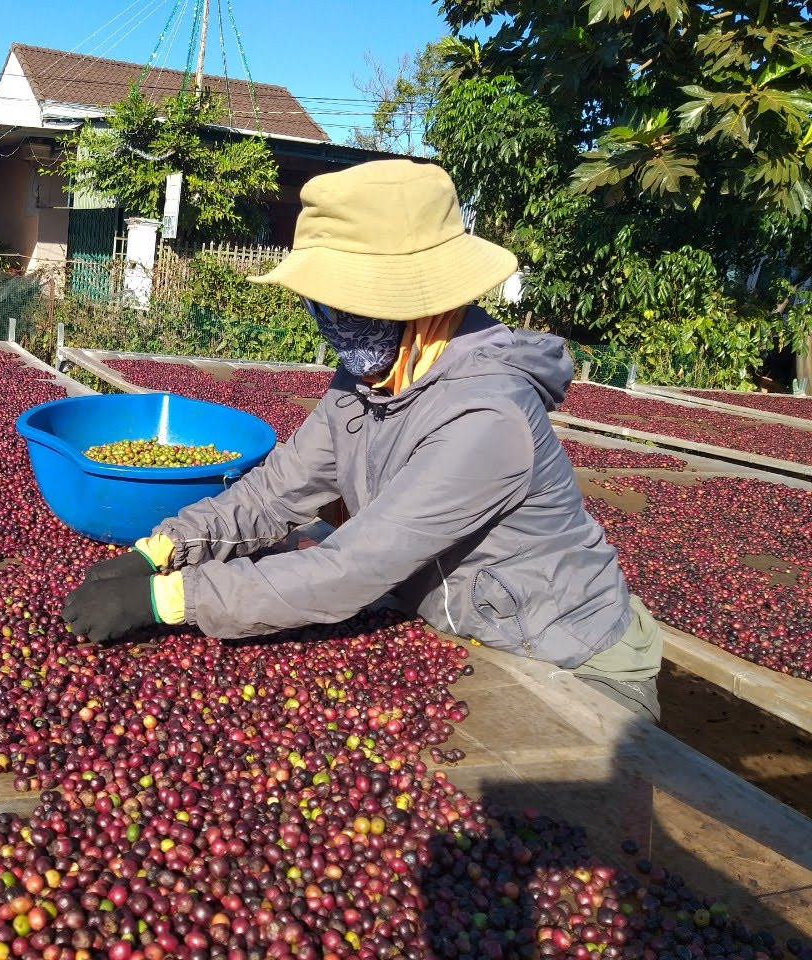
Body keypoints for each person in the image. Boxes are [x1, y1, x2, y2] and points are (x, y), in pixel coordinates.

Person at [62, 159, 663, 721]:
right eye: (321, 303)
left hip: (571, 660)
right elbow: (274, 492)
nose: (330, 319)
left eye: (348, 302)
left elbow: (351, 568)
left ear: (421, 301)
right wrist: (162, 550)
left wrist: (170, 602)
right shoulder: (368, 381)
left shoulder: (488, 414)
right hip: (463, 635)